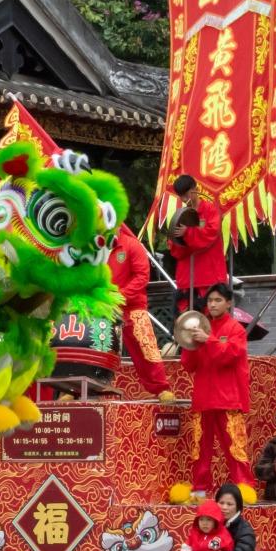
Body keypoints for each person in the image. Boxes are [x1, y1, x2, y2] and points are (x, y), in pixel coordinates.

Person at [179, 284, 251, 496]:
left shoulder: (235, 329)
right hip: (203, 399)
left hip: (228, 399)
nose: (213, 304)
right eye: (210, 300)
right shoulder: (201, 327)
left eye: (218, 300)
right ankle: (200, 489)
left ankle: (244, 488)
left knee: (234, 446)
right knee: (200, 448)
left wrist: (207, 340)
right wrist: (190, 343)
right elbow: (188, 365)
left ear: (229, 303)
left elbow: (227, 356)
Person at [108, 223, 173, 400]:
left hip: (132, 306)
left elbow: (142, 276)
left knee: (146, 345)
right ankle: (76, 390)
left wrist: (120, 296)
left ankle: (161, 388)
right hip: (104, 307)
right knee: (90, 344)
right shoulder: (94, 248)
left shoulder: (131, 245)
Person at [168, 174, 226, 312]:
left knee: (210, 322)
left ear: (196, 189)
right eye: (181, 196)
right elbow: (174, 248)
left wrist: (188, 233)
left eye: (187, 194)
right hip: (188, 278)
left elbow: (210, 235)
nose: (184, 199)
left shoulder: (211, 211)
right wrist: (179, 239)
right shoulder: (180, 215)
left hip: (209, 276)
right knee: (187, 324)